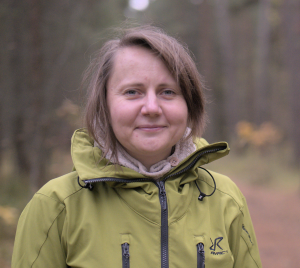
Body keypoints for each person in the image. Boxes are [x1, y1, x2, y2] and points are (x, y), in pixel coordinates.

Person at [12, 25, 262, 268]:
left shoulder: (226, 199)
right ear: (104, 105)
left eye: (168, 92)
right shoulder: (56, 206)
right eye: (132, 92)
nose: (152, 108)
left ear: (189, 104)